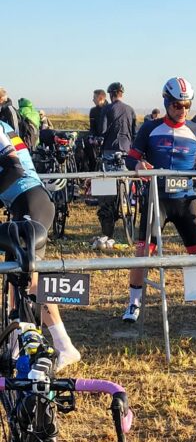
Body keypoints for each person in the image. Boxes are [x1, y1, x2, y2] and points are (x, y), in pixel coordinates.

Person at [121, 76, 196, 323]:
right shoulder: (150, 128)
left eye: (187, 105)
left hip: (186, 199)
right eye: (177, 105)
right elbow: (130, 158)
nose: (183, 110)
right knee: (143, 253)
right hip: (157, 199)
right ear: (166, 103)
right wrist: (138, 165)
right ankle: (133, 302)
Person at [0, 120, 80, 369]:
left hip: (31, 202)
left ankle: (64, 346)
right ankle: (15, 346)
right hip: (25, 202)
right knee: (16, 278)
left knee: (30, 280)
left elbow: (14, 168)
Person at [94, 82, 137, 250]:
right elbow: (134, 132)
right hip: (126, 150)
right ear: (122, 94)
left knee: (106, 192)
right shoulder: (130, 109)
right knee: (126, 184)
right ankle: (127, 206)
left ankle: (107, 230)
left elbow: (102, 130)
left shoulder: (107, 109)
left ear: (111, 94)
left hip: (109, 150)